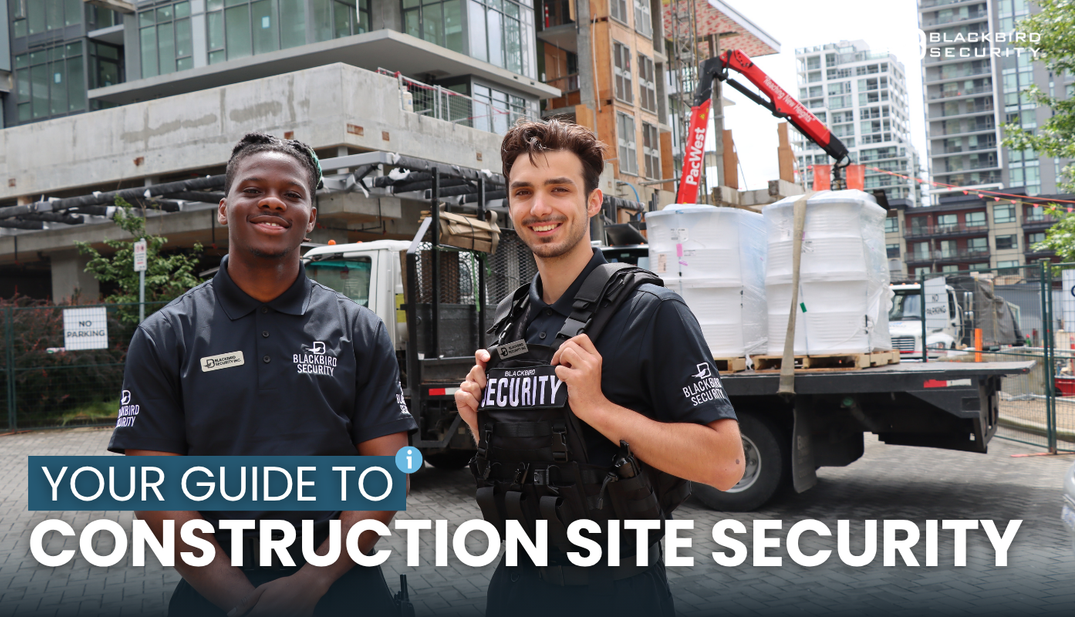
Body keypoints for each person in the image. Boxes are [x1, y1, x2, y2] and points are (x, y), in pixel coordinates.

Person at [109, 132, 416, 617]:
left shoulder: (359, 330)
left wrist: (309, 583)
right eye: (253, 190)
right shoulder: (165, 336)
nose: (272, 201)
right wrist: (245, 605)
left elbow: (383, 477)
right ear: (223, 206)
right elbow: (156, 495)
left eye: (292, 194)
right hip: (214, 596)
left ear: (311, 217)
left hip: (344, 586)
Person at [454, 119, 746, 616]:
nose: (539, 207)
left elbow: (725, 464)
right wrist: (477, 417)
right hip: (516, 587)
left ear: (593, 202)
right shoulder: (508, 318)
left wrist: (598, 408)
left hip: (617, 592)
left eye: (558, 189)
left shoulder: (652, 311)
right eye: (522, 192)